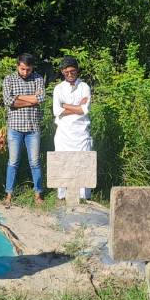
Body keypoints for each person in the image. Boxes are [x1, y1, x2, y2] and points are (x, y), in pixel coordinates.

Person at [1, 53, 45, 208]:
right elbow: (8, 101)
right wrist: (31, 98)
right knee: (13, 162)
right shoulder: (9, 79)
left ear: (32, 68)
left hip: (33, 127)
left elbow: (40, 99)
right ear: (17, 66)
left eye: (28, 69)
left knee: (35, 162)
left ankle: (38, 194)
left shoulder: (38, 78)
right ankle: (9, 194)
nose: (25, 72)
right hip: (15, 127)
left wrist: (19, 97)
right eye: (22, 69)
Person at [51, 56, 92, 201]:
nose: (69, 75)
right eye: (66, 72)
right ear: (62, 72)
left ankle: (83, 197)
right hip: (63, 132)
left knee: (82, 163)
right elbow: (56, 111)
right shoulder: (58, 88)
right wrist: (76, 108)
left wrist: (65, 106)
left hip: (81, 132)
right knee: (63, 162)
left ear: (77, 71)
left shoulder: (84, 87)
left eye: (72, 71)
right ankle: (62, 196)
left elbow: (84, 110)